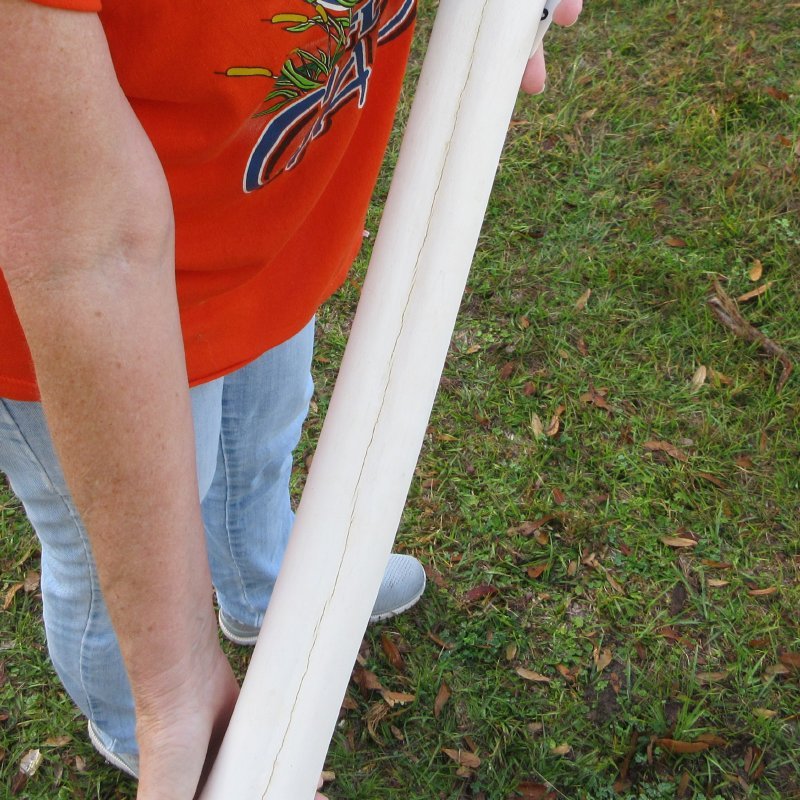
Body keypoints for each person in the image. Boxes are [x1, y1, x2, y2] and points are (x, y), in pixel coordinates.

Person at [0, 0, 582, 798]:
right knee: (110, 559)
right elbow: (84, 246)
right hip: (76, 314)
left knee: (263, 438)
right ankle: (130, 718)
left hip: (271, 224)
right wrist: (174, 684)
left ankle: (266, 586)